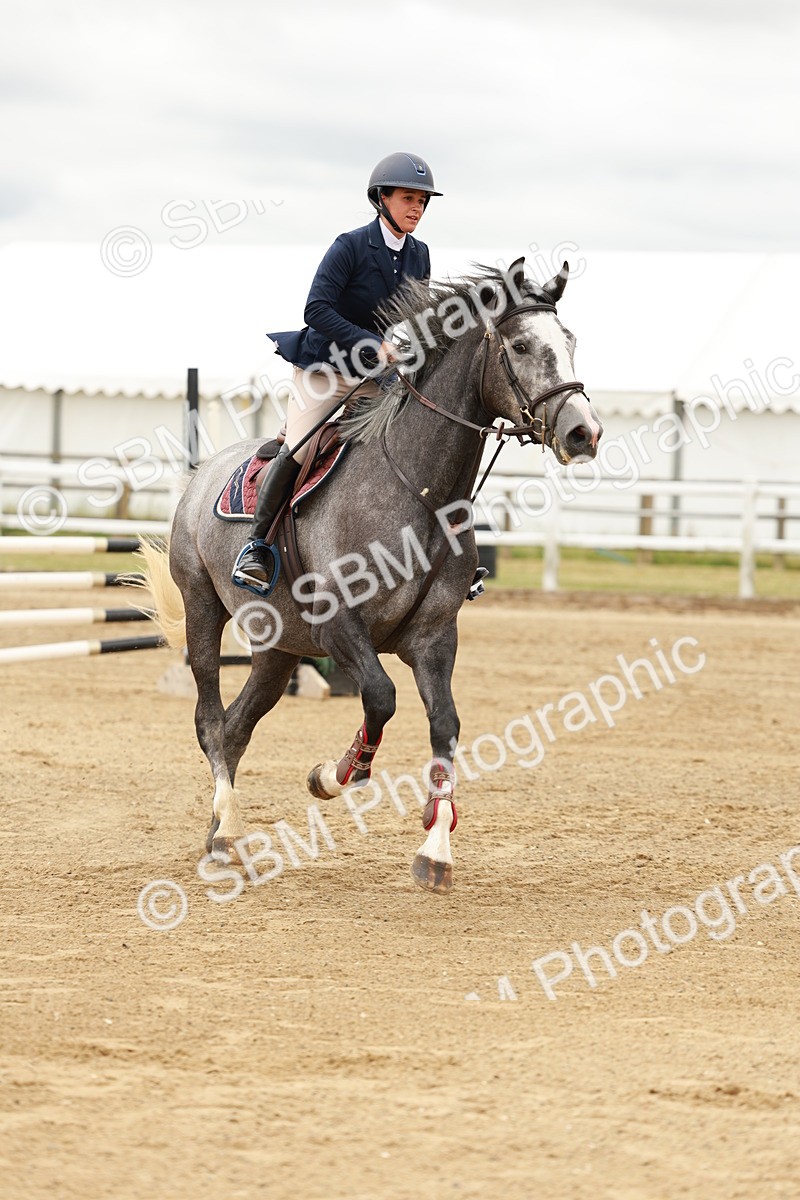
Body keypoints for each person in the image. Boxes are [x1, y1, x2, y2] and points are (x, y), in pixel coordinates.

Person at [232, 151, 443, 594]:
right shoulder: (349, 246)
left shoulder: (419, 255)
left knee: (403, 444)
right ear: (381, 199)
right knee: (298, 446)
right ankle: (256, 547)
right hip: (324, 367)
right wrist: (371, 344)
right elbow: (316, 309)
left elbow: (415, 321)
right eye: (408, 198)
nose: (416, 209)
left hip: (373, 374)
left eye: (422, 201)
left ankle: (429, 549)